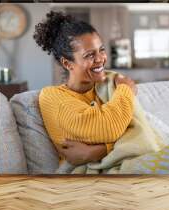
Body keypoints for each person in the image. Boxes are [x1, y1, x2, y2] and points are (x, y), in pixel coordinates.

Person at [33, 11, 137, 166]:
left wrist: (95, 151)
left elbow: (139, 128)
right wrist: (126, 90)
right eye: (90, 55)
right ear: (67, 63)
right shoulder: (51, 97)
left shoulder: (108, 83)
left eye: (101, 50)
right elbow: (109, 127)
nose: (100, 59)